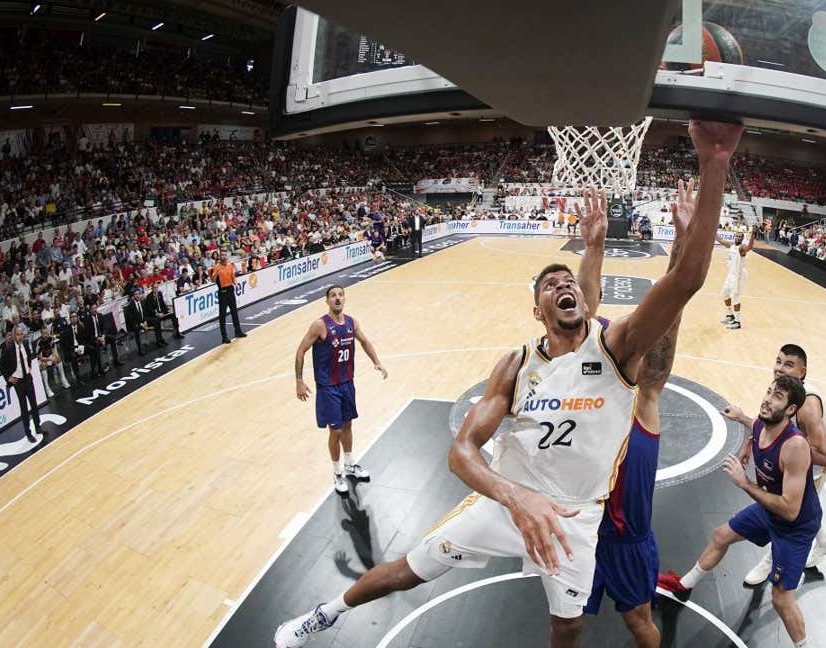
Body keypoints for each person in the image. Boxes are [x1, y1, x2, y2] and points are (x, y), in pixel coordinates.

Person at [273, 119, 743, 648]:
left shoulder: (618, 349)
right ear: (537, 308)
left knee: (566, 627)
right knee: (411, 566)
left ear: (583, 300)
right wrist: (514, 498)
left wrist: (715, 164)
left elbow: (686, 280)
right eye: (551, 285)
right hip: (503, 505)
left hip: (575, 520)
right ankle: (326, 613)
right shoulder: (516, 365)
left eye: (570, 282)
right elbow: (461, 452)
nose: (563, 286)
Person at [574, 179, 697, 647]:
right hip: (580, 529)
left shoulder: (645, 395)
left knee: (639, 623)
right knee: (566, 623)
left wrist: (682, 244)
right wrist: (594, 248)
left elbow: (669, 315)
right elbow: (585, 315)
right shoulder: (586, 383)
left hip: (626, 540)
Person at [658, 375, 820, 647]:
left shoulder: (795, 447)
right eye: (768, 391)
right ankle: (684, 587)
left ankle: (803, 644)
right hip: (770, 510)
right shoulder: (763, 423)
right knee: (721, 535)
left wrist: (744, 483)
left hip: (795, 528)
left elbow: (791, 510)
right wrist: (741, 419)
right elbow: (756, 426)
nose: (767, 398)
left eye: (777, 397)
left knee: (781, 599)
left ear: (791, 409)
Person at [740, 344, 826, 587]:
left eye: (788, 364)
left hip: (813, 463)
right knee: (796, 508)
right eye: (778, 361)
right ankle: (824, 541)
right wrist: (751, 442)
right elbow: (769, 424)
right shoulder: (782, 391)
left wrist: (787, 451)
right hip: (793, 455)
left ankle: (769, 562)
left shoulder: (807, 404)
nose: (779, 368)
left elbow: (823, 455)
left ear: (802, 372)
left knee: (787, 513)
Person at [294, 286, 389, 494]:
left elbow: (364, 341)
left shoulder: (351, 322)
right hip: (328, 386)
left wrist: (377, 362)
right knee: (335, 430)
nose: (337, 299)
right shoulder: (320, 325)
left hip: (347, 382)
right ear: (327, 301)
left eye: (340, 295)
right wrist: (299, 381)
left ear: (344, 298)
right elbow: (301, 350)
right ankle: (337, 473)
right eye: (333, 296)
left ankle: (350, 465)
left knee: (347, 425)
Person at [0, 325, 43, 443]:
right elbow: (1, 364)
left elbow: (28, 357)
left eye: (21, 334)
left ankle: (38, 427)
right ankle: (28, 433)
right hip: (18, 381)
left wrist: (29, 366)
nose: (20, 337)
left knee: (34, 404)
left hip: (27, 378)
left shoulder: (25, 344)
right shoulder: (9, 348)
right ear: (14, 335)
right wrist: (8, 377)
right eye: (18, 335)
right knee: (24, 408)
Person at [718, 230, 754, 329]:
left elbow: (750, 247)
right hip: (731, 274)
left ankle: (737, 322)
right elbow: (720, 240)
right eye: (736, 236)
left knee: (735, 297)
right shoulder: (731, 246)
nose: (737, 238)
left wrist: (753, 235)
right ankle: (730, 315)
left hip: (738, 276)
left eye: (740, 237)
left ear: (742, 238)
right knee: (725, 294)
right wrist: (710, 230)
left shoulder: (741, 248)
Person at [210, 251, 246, 344]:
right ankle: (224, 337)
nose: (224, 256)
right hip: (222, 292)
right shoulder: (217, 267)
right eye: (222, 255)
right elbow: (213, 280)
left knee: (234, 312)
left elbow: (232, 277)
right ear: (220, 257)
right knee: (222, 315)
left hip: (230, 290)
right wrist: (216, 273)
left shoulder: (230, 265)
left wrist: (236, 283)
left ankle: (238, 332)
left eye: (225, 255)